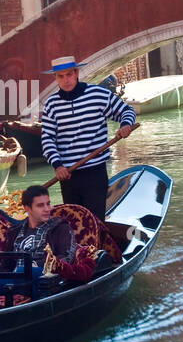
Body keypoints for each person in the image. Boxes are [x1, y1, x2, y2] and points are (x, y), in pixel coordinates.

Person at [40, 55, 137, 221]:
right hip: (68, 175)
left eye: (69, 74)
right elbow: (48, 139)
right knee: (75, 224)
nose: (66, 80)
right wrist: (58, 166)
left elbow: (127, 111)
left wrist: (125, 125)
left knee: (94, 221)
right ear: (55, 78)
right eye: (61, 76)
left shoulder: (98, 94)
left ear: (76, 73)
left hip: (95, 172)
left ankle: (96, 247)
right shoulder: (51, 105)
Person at [6, 185, 75, 274]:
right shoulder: (14, 232)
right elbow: (6, 264)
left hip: (46, 281)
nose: (47, 209)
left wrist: (38, 265)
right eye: (40, 205)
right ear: (27, 208)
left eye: (48, 204)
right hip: (15, 281)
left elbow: (67, 257)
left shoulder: (60, 228)